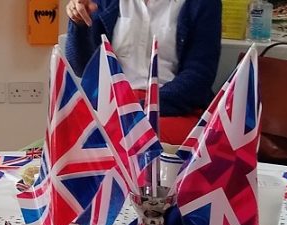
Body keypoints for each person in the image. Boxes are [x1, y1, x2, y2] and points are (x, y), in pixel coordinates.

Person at [65, 0, 221, 146]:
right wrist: (78, 24)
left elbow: (199, 77)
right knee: (70, 134)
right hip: (112, 106)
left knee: (136, 138)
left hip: (172, 108)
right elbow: (82, 67)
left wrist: (139, 108)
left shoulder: (203, 3)